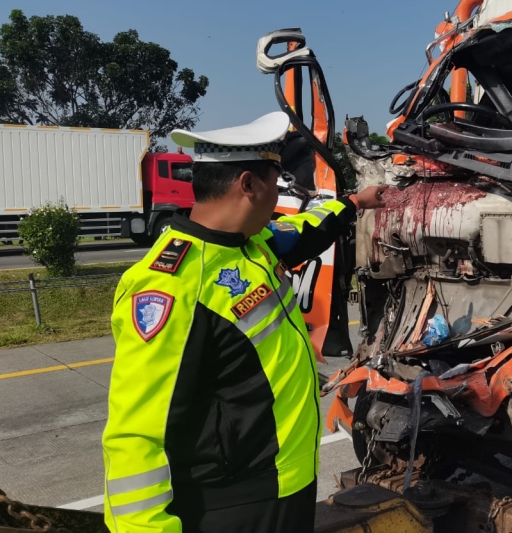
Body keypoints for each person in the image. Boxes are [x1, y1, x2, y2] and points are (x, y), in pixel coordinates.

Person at [101, 111, 386, 533]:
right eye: (276, 184)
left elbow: (304, 230)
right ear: (248, 185)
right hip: (235, 503)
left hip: (285, 480)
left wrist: (355, 204)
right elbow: (138, 434)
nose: (279, 197)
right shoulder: (172, 288)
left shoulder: (251, 244)